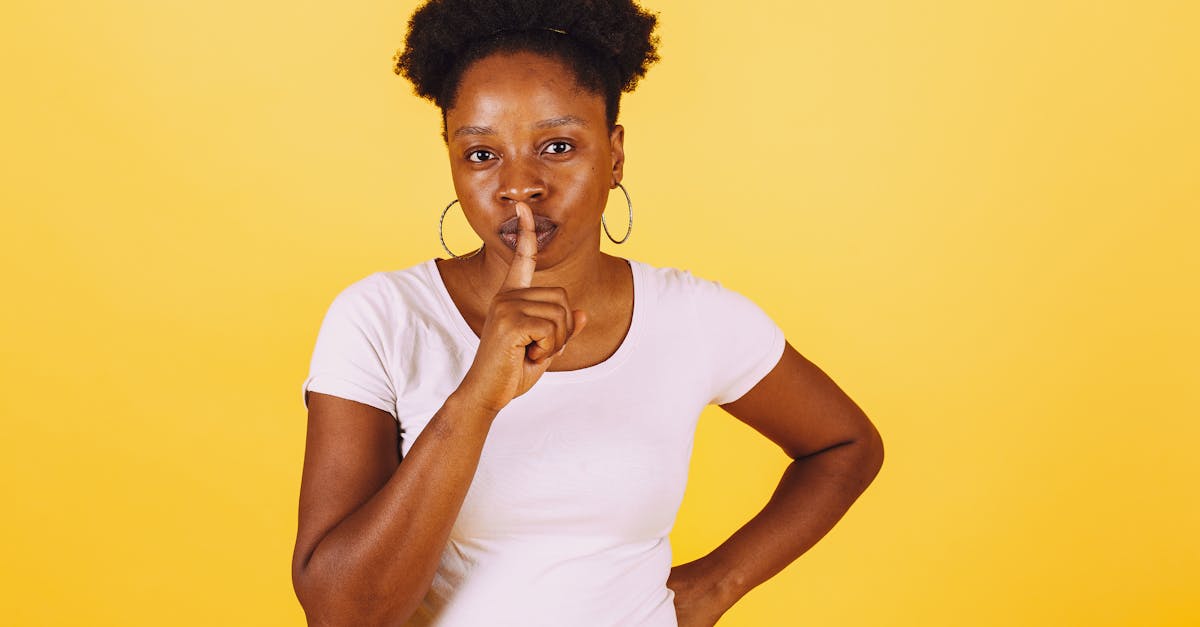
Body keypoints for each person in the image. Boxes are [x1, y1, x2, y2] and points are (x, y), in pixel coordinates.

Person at [291, 1, 885, 625]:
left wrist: (714, 587)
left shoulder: (693, 317)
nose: (519, 185)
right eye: (482, 154)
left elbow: (845, 445)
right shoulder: (382, 318)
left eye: (557, 146)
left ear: (615, 155)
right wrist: (477, 398)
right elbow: (341, 615)